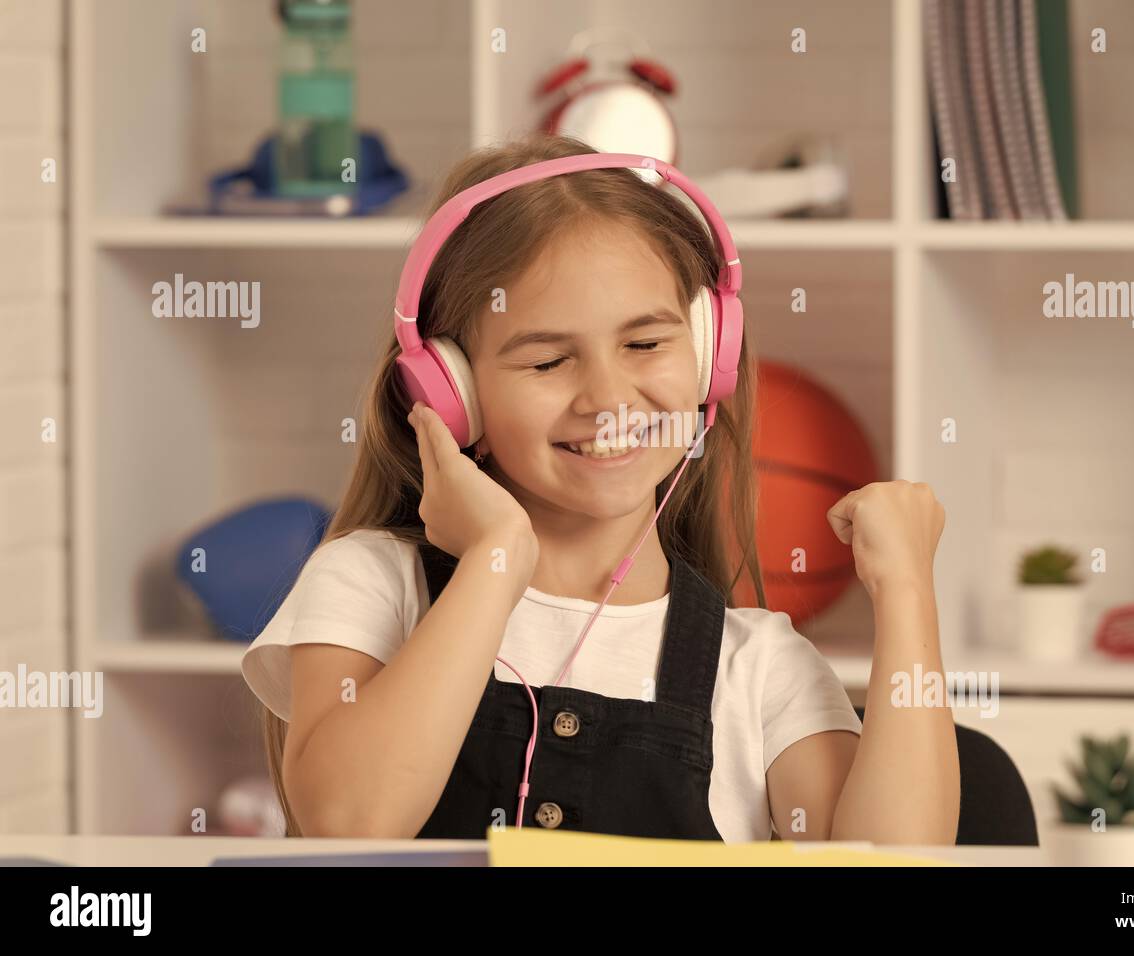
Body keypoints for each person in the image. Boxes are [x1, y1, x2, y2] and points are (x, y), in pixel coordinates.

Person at [241, 132, 958, 844]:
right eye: (548, 361)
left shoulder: (758, 666)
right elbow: (348, 823)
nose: (608, 397)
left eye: (645, 344)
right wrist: (496, 557)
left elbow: (894, 864)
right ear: (453, 393)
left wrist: (907, 594)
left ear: (710, 358)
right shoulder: (374, 586)